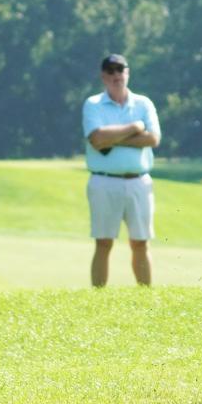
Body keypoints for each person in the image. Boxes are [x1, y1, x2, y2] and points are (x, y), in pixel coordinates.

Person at [82, 53, 161, 287]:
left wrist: (113, 137)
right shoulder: (93, 104)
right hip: (104, 181)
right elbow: (96, 138)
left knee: (140, 242)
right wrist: (134, 127)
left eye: (121, 69)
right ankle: (98, 296)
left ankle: (146, 294)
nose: (116, 74)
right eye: (110, 70)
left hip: (139, 181)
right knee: (103, 242)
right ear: (103, 75)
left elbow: (152, 139)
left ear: (128, 72)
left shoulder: (143, 103)